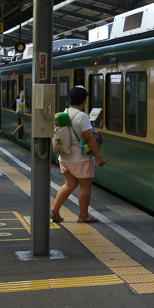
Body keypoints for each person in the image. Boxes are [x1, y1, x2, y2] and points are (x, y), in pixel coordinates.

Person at [50, 86, 107, 223]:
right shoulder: (82, 116)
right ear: (84, 101)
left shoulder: (64, 113)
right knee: (85, 187)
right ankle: (84, 215)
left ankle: (54, 210)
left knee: (69, 184)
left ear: (69, 99)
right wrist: (98, 156)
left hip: (65, 156)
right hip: (80, 158)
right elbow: (89, 138)